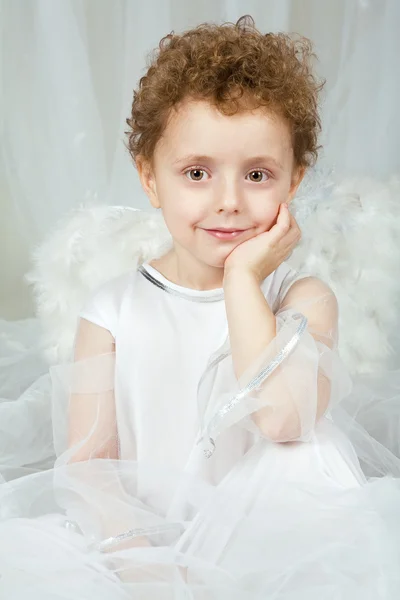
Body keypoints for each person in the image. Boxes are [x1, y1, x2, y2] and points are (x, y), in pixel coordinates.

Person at [1, 15, 400, 599]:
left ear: (294, 183)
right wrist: (146, 563)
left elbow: (281, 420)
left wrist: (242, 280)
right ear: (150, 178)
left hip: (283, 543)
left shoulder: (302, 298)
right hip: (146, 542)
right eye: (196, 173)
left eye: (259, 174)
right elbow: (88, 469)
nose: (229, 202)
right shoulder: (111, 312)